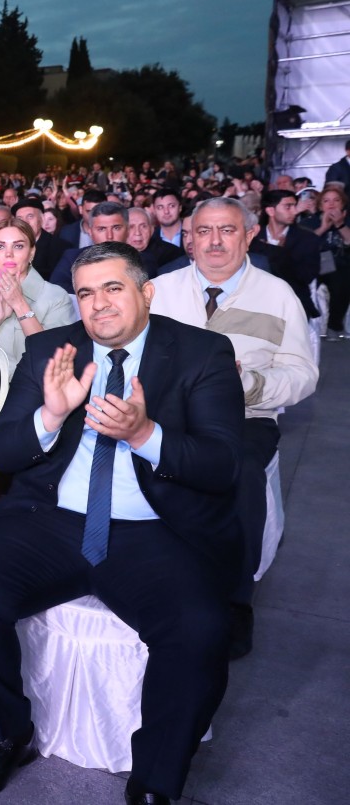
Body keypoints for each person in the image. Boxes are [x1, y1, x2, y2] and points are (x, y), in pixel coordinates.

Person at [0, 242, 244, 805]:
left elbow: (223, 465)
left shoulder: (202, 352)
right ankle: (8, 734)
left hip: (153, 528)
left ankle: (154, 777)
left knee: (200, 627)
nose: (99, 304)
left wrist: (143, 434)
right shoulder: (51, 351)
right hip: (49, 518)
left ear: (145, 292)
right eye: (85, 293)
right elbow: (5, 451)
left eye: (113, 288)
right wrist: (52, 414)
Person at [151, 198, 317, 659]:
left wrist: (250, 384)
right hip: (167, 416)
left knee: (238, 475)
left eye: (226, 230)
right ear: (189, 239)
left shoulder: (277, 294)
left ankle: (234, 601)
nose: (214, 241)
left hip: (247, 417)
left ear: (248, 236)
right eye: (203, 231)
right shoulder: (158, 291)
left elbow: (303, 373)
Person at [0, 219, 77, 373]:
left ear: (31, 252)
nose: (8, 254)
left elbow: (54, 359)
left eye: (18, 246)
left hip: (40, 392)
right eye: (0, 246)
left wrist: (20, 305)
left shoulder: (57, 297)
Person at [252, 188, 321, 321]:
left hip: (293, 299)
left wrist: (279, 252)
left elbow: (307, 276)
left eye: (295, 206)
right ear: (270, 210)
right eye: (288, 206)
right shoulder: (253, 237)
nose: (294, 211)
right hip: (256, 300)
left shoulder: (307, 238)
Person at [51, 202, 129, 293]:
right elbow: (56, 289)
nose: (109, 236)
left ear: (127, 230)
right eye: (102, 229)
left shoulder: (144, 261)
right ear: (90, 232)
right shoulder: (72, 258)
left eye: (116, 228)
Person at [313, 186, 350, 338]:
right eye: (326, 201)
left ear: (343, 204)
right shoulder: (311, 221)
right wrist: (322, 228)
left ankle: (334, 326)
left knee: (342, 280)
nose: (331, 204)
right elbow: (303, 245)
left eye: (336, 200)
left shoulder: (347, 220)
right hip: (314, 264)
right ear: (321, 205)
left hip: (341, 265)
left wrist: (340, 225)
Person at [125, 207, 184, 278]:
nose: (137, 233)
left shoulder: (172, 254)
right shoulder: (116, 254)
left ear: (152, 230)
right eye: (131, 227)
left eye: (143, 226)